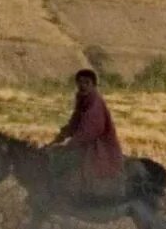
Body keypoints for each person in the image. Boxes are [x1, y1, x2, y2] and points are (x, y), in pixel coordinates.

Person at [50, 66, 124, 198]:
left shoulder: (95, 102)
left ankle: (81, 199)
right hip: (86, 142)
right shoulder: (82, 100)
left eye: (86, 82)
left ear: (93, 85)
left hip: (100, 146)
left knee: (71, 163)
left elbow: (90, 130)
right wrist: (59, 138)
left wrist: (69, 145)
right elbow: (74, 122)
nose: (82, 85)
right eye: (80, 82)